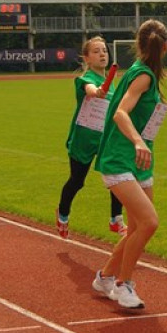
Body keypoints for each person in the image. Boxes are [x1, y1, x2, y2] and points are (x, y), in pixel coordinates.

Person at [92, 19, 167, 309]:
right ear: (165, 46)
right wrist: (138, 141)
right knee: (149, 223)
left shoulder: (143, 73)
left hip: (138, 160)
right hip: (121, 157)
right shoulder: (142, 77)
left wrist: (141, 144)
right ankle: (123, 285)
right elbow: (120, 113)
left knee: (137, 225)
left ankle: (105, 277)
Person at [56, 35, 127, 239]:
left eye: (104, 50)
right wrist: (96, 91)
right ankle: (62, 213)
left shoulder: (112, 83)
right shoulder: (84, 78)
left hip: (104, 139)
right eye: (96, 51)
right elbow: (90, 90)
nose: (102, 54)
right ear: (87, 58)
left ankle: (116, 218)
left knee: (117, 176)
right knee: (77, 181)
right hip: (83, 140)